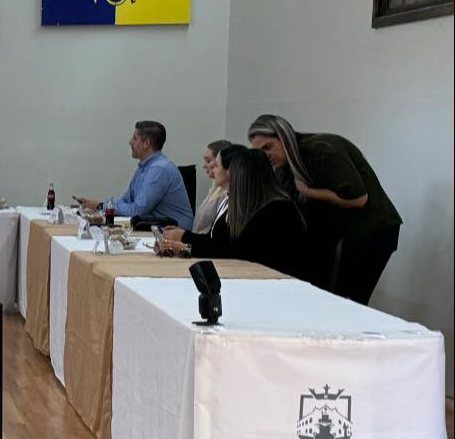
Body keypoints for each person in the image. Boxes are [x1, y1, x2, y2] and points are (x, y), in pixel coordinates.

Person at [247, 114, 402, 304]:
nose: (266, 156)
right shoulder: (284, 165)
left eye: (268, 147)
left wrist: (309, 192)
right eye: (259, 152)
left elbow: (359, 199)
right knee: (324, 293)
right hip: (340, 231)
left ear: (284, 138)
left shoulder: (323, 151)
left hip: (371, 228)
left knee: (348, 299)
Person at [158, 146, 308, 279]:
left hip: (278, 283)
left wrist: (184, 246)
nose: (213, 169)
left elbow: (236, 251)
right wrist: (183, 240)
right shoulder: (246, 206)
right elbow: (221, 243)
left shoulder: (278, 210)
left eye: (217, 165)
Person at [76, 120, 193, 229]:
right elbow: (126, 200)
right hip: (154, 228)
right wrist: (101, 205)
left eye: (135, 138)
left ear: (146, 143)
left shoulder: (159, 170)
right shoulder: (144, 167)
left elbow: (137, 210)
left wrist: (101, 206)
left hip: (175, 233)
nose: (130, 142)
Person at [191, 139, 232, 234]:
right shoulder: (214, 189)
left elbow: (214, 232)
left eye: (209, 161)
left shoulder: (226, 194)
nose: (204, 166)